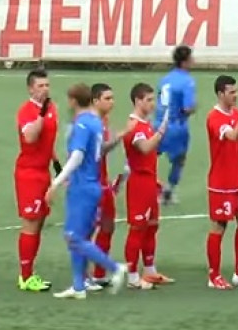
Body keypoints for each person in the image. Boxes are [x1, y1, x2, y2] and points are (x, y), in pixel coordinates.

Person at [45, 84, 127, 299]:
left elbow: (77, 156)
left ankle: (115, 268)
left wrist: (56, 181)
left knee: (73, 236)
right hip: (92, 184)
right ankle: (78, 286)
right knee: (78, 236)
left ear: (73, 101)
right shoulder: (95, 122)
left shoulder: (82, 124)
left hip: (82, 187)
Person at [205, 75, 238, 289]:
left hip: (237, 180)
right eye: (231, 92)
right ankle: (214, 276)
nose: (235, 95)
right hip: (220, 184)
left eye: (236, 91)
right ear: (220, 94)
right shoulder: (214, 118)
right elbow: (232, 136)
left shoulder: (235, 113)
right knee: (219, 227)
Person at [85, 83, 137, 290]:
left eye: (113, 98)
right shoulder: (89, 122)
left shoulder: (104, 120)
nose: (112, 102)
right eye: (107, 98)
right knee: (88, 231)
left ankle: (98, 273)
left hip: (103, 182)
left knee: (108, 226)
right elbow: (98, 151)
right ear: (95, 100)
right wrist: (123, 134)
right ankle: (82, 276)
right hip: (90, 184)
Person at [15, 69, 60, 292]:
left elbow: (49, 142)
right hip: (29, 173)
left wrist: (58, 166)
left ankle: (30, 272)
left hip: (44, 171)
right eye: (40, 86)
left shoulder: (52, 108)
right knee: (30, 223)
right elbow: (31, 137)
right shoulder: (26, 111)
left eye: (47, 85)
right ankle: (25, 276)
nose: (45, 89)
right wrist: (41, 114)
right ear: (30, 88)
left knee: (40, 222)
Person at [123, 83, 171, 290]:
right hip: (139, 184)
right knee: (137, 229)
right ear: (137, 101)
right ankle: (133, 276)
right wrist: (161, 131)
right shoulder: (134, 126)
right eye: (148, 100)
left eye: (153, 99)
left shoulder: (145, 124)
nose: (152, 104)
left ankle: (150, 270)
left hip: (149, 181)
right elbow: (144, 148)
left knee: (152, 226)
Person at [154, 45, 197, 204]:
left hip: (158, 123)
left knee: (148, 157)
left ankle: (133, 178)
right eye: (191, 58)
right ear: (184, 62)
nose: (194, 61)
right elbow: (187, 108)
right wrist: (193, 108)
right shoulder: (187, 81)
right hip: (176, 127)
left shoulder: (165, 79)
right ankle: (168, 192)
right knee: (179, 160)